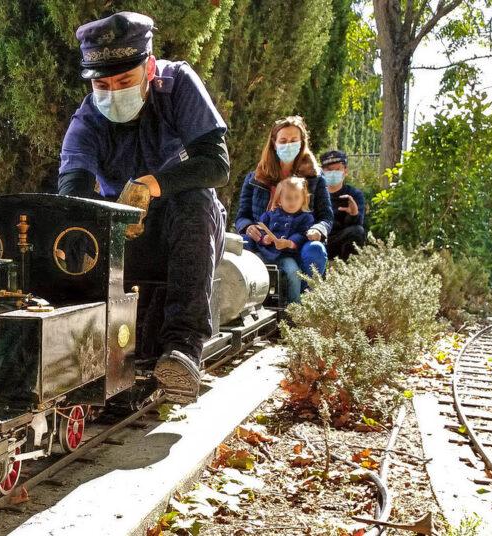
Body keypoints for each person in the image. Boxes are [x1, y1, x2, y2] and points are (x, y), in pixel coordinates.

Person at [56, 12, 230, 403]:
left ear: (149, 68)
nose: (113, 93)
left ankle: (185, 347)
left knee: (195, 198)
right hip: (129, 234)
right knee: (77, 223)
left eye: (124, 81)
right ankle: (80, 345)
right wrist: (98, 216)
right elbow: (73, 186)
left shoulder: (179, 83)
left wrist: (153, 186)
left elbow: (216, 165)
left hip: (187, 231)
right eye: (102, 84)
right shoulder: (87, 120)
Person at [234, 116, 333, 304]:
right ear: (274, 143)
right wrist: (248, 227)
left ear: (302, 143)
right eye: (284, 141)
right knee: (242, 245)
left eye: (294, 141)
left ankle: (306, 306)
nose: (289, 145)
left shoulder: (316, 178)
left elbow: (326, 217)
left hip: (299, 242)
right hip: (264, 241)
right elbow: (242, 216)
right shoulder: (255, 178)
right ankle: (246, 303)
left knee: (315, 250)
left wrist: (318, 229)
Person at [248, 177, 315, 265]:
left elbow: (302, 234)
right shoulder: (270, 214)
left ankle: (299, 279)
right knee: (254, 263)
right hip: (266, 253)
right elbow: (260, 228)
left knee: (292, 271)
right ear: (280, 200)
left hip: (287, 256)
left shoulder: (306, 217)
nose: (293, 201)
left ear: (303, 199)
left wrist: (289, 243)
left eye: (297, 197)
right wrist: (264, 239)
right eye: (288, 198)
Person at [319, 150, 366, 261]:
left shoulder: (354, 195)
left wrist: (354, 214)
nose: (333, 173)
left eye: (337, 169)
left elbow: (359, 226)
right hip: (319, 240)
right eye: (329, 170)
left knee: (357, 231)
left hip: (340, 241)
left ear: (345, 171)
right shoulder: (315, 194)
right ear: (322, 171)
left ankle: (349, 270)